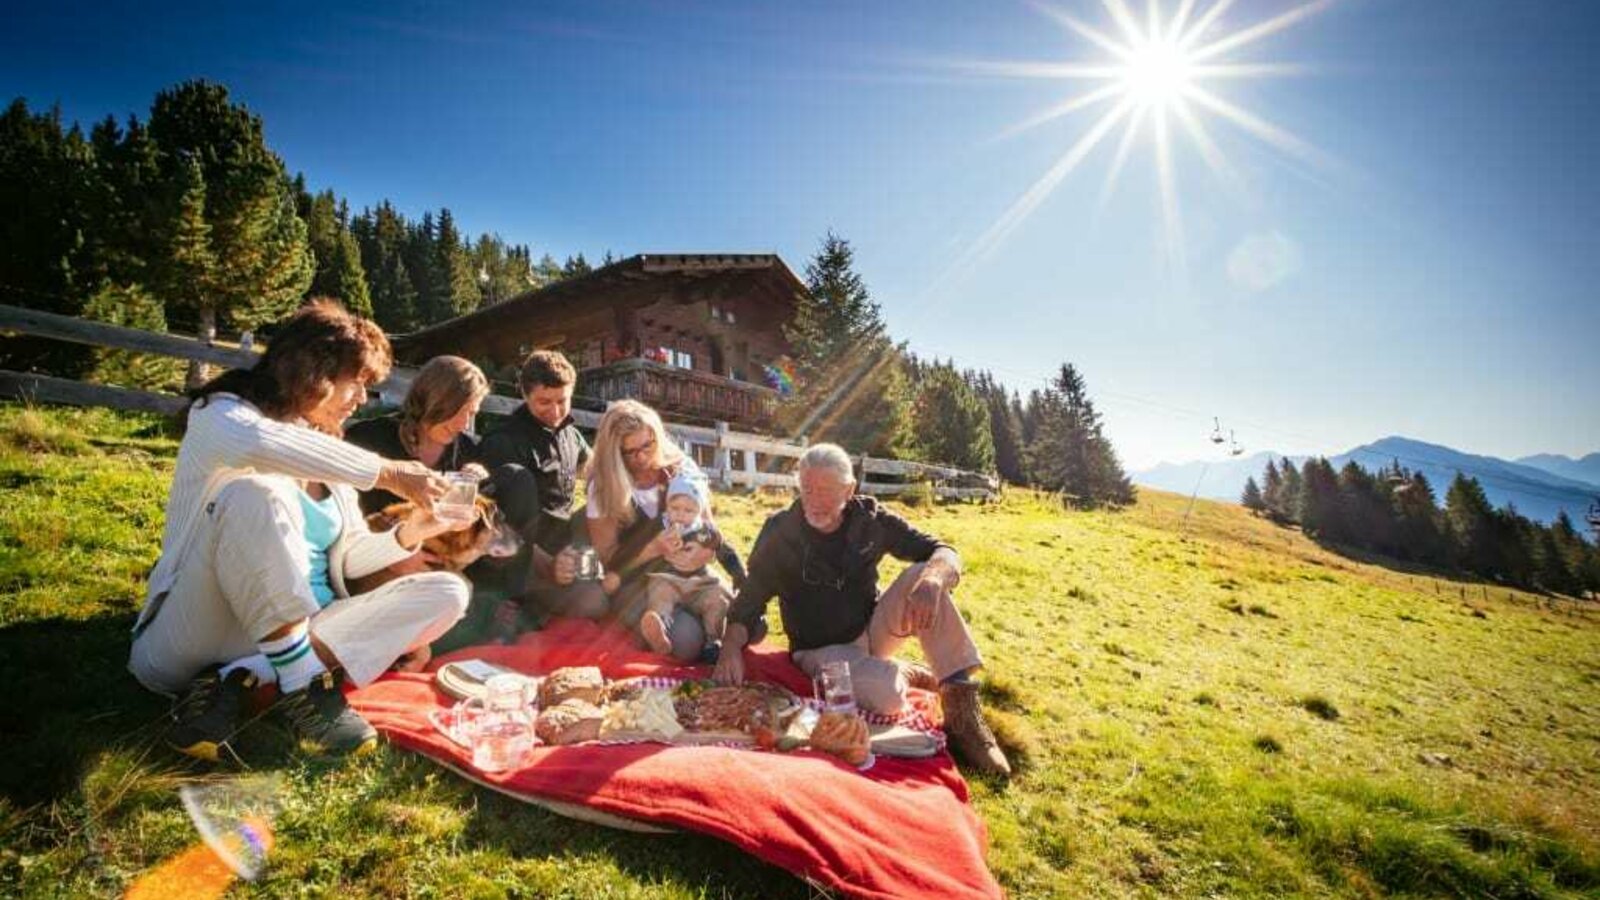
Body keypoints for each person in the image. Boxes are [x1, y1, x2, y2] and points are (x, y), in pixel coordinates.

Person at [128, 300, 470, 760]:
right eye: (358, 383)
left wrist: (411, 532)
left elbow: (347, 559)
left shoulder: (327, 455)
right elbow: (257, 443)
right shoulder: (220, 414)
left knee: (449, 592)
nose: (362, 399)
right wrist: (390, 473)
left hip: (299, 632)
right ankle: (304, 684)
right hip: (197, 633)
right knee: (253, 494)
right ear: (317, 372)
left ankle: (238, 681)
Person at [714, 442, 1011, 777]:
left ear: (849, 489)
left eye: (825, 490)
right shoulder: (780, 532)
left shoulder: (871, 519)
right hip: (820, 650)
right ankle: (904, 672)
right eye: (807, 489)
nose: (814, 501)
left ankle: (964, 720)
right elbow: (749, 601)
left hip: (872, 629)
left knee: (922, 574)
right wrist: (729, 649)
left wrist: (933, 580)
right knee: (888, 697)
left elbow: (943, 550)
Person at [476, 350, 592, 629]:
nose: (554, 412)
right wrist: (549, 565)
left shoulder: (572, 435)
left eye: (562, 401)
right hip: (518, 556)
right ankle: (514, 605)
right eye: (544, 402)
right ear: (525, 395)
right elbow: (499, 526)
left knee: (596, 602)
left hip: (562, 548)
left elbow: (596, 471)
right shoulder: (502, 441)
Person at [345, 355, 490, 515]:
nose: (464, 424)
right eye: (459, 411)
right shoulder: (367, 438)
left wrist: (475, 486)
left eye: (471, 413)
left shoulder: (467, 452)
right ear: (433, 400)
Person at [638, 470, 733, 656]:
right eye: (675, 508)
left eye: (688, 510)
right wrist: (658, 546)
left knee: (716, 600)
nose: (680, 515)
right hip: (669, 579)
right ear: (667, 507)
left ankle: (713, 641)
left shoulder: (703, 530)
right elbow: (645, 550)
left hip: (700, 584)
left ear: (699, 510)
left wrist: (738, 574)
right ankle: (659, 628)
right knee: (660, 591)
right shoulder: (661, 526)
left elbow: (722, 549)